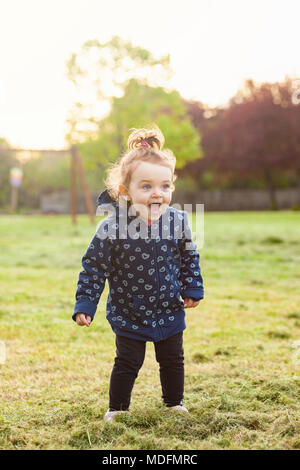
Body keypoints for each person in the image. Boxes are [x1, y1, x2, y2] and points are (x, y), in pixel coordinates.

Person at [72, 125, 204, 422]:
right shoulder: (112, 227)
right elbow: (93, 268)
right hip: (128, 311)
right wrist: (85, 304)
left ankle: (173, 403)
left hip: (169, 308)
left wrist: (192, 287)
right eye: (146, 187)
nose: (157, 194)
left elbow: (188, 256)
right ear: (125, 192)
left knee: (172, 359)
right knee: (128, 362)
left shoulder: (178, 221)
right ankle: (117, 410)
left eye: (165, 186)